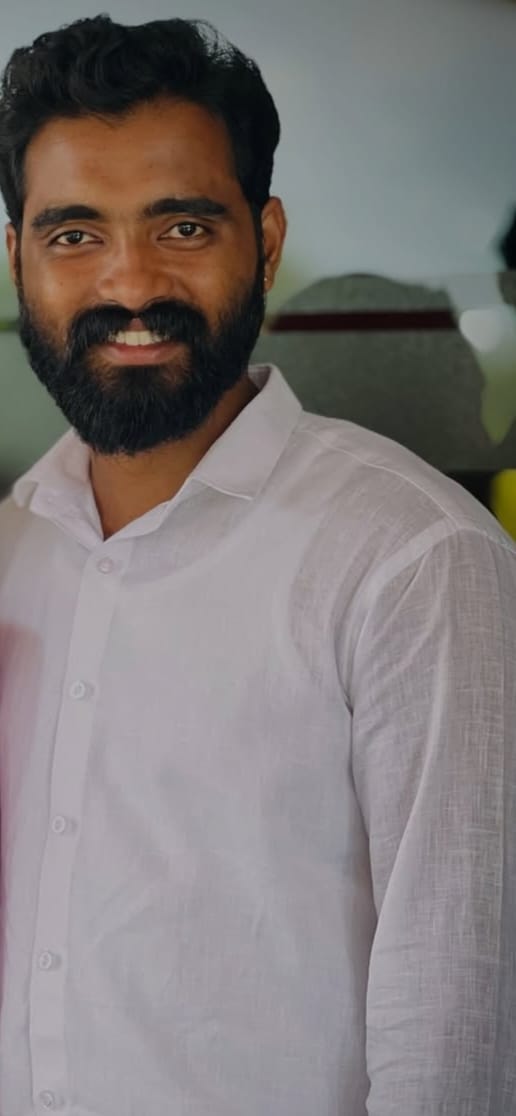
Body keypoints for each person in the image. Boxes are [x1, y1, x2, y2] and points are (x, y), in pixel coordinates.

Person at [0, 16, 514, 1116]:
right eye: (74, 234)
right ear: (17, 261)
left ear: (267, 242)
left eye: (183, 226)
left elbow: (456, 1029)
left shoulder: (414, 558)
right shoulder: (11, 551)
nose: (129, 282)